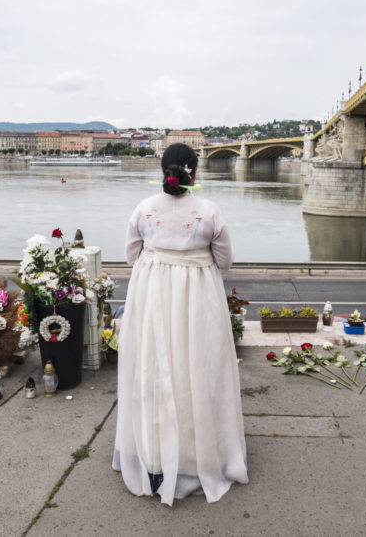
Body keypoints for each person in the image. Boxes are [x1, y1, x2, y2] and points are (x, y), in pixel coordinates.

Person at [113, 143, 248, 505]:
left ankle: (153, 453)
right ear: (194, 171)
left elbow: (130, 256)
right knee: (198, 369)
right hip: (197, 298)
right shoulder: (209, 211)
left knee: (152, 370)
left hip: (152, 295)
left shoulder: (144, 208)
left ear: (163, 170)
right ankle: (195, 453)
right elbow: (224, 261)